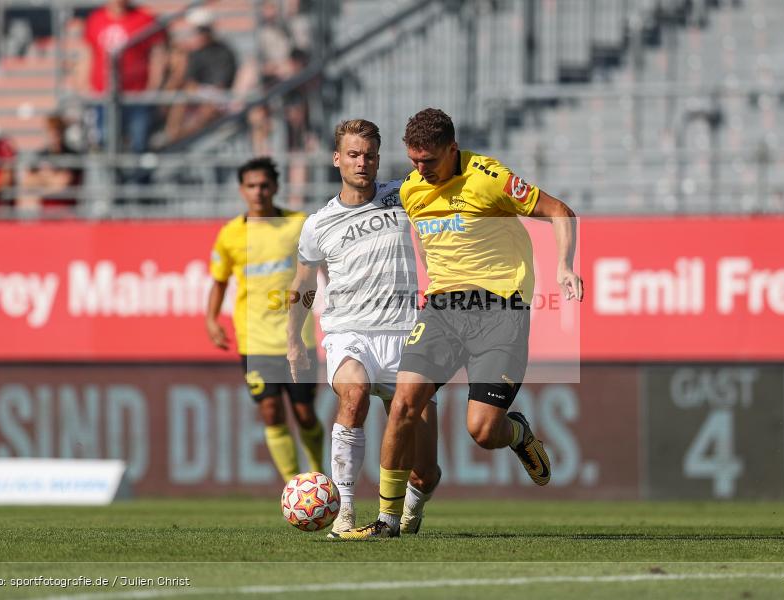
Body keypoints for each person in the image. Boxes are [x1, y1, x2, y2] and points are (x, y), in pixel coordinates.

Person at [338, 108, 584, 539]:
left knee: (483, 431)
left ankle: (518, 433)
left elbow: (560, 211)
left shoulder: (489, 178)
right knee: (402, 405)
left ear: (452, 149)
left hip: (500, 310)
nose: (420, 170)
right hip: (441, 310)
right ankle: (387, 521)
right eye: (413, 160)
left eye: (429, 161)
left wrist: (564, 266)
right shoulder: (414, 189)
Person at [286, 119, 441, 537]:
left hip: (407, 334)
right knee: (354, 395)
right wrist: (294, 345)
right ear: (337, 159)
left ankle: (407, 514)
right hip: (348, 332)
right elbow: (301, 286)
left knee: (425, 473)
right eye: (353, 155)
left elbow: (443, 177)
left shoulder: (401, 194)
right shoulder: (318, 224)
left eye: (369, 155)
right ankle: (346, 513)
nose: (362, 163)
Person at [206, 156, 324, 483]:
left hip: (297, 338)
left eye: (264, 185)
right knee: (271, 412)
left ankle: (318, 474)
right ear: (242, 190)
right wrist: (211, 320)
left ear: (275, 187)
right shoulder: (230, 235)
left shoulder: (299, 224)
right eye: (251, 186)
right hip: (255, 340)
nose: (258, 191)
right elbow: (219, 282)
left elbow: (324, 268)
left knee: (304, 414)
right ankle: (293, 486)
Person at [79, 0, 167, 154]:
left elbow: (157, 55)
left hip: (136, 95)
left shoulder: (144, 18)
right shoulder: (96, 18)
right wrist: (83, 84)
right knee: (105, 142)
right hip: (103, 96)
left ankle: (137, 178)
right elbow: (88, 54)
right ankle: (112, 178)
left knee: (139, 144)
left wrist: (153, 87)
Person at [161, 7, 237, 145]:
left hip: (218, 96)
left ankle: (179, 139)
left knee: (205, 107)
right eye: (196, 30)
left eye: (201, 30)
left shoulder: (223, 52)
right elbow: (186, 80)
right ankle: (172, 135)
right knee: (179, 97)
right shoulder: (192, 53)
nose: (197, 34)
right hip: (196, 94)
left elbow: (220, 86)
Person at [18, 114, 83, 216]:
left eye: (58, 131)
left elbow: (62, 185)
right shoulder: (40, 155)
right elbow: (27, 182)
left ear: (63, 132)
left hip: (68, 213)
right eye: (52, 131)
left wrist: (42, 180)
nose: (55, 135)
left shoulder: (73, 155)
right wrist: (51, 179)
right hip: (45, 214)